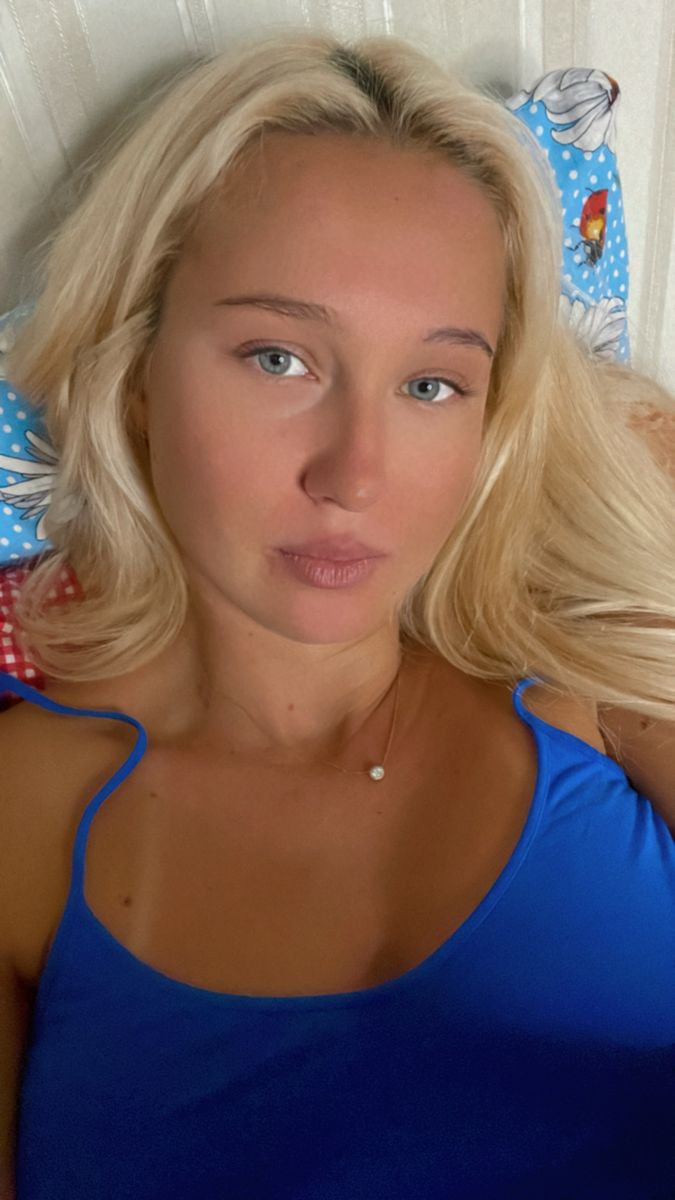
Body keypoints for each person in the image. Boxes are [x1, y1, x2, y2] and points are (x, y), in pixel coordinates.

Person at [0, 27, 674, 1199]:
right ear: (136, 370)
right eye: (279, 359)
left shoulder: (605, 670)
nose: (355, 474)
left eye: (432, 384)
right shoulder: (26, 812)